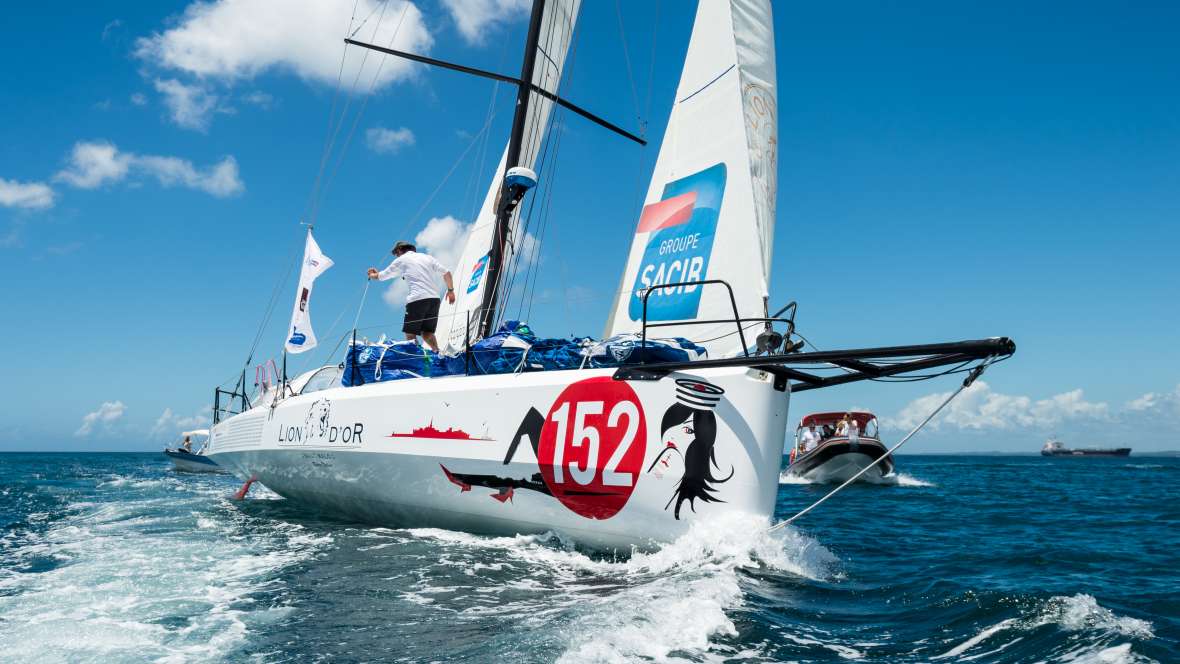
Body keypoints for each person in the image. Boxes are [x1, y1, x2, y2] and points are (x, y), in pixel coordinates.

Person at [368, 241, 456, 352]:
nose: (396, 256)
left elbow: (382, 276)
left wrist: (372, 275)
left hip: (417, 300)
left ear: (400, 250)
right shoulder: (427, 258)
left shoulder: (401, 260)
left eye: (396, 253)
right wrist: (450, 291)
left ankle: (416, 358)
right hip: (434, 299)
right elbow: (447, 272)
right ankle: (437, 352)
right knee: (427, 333)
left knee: (410, 333)